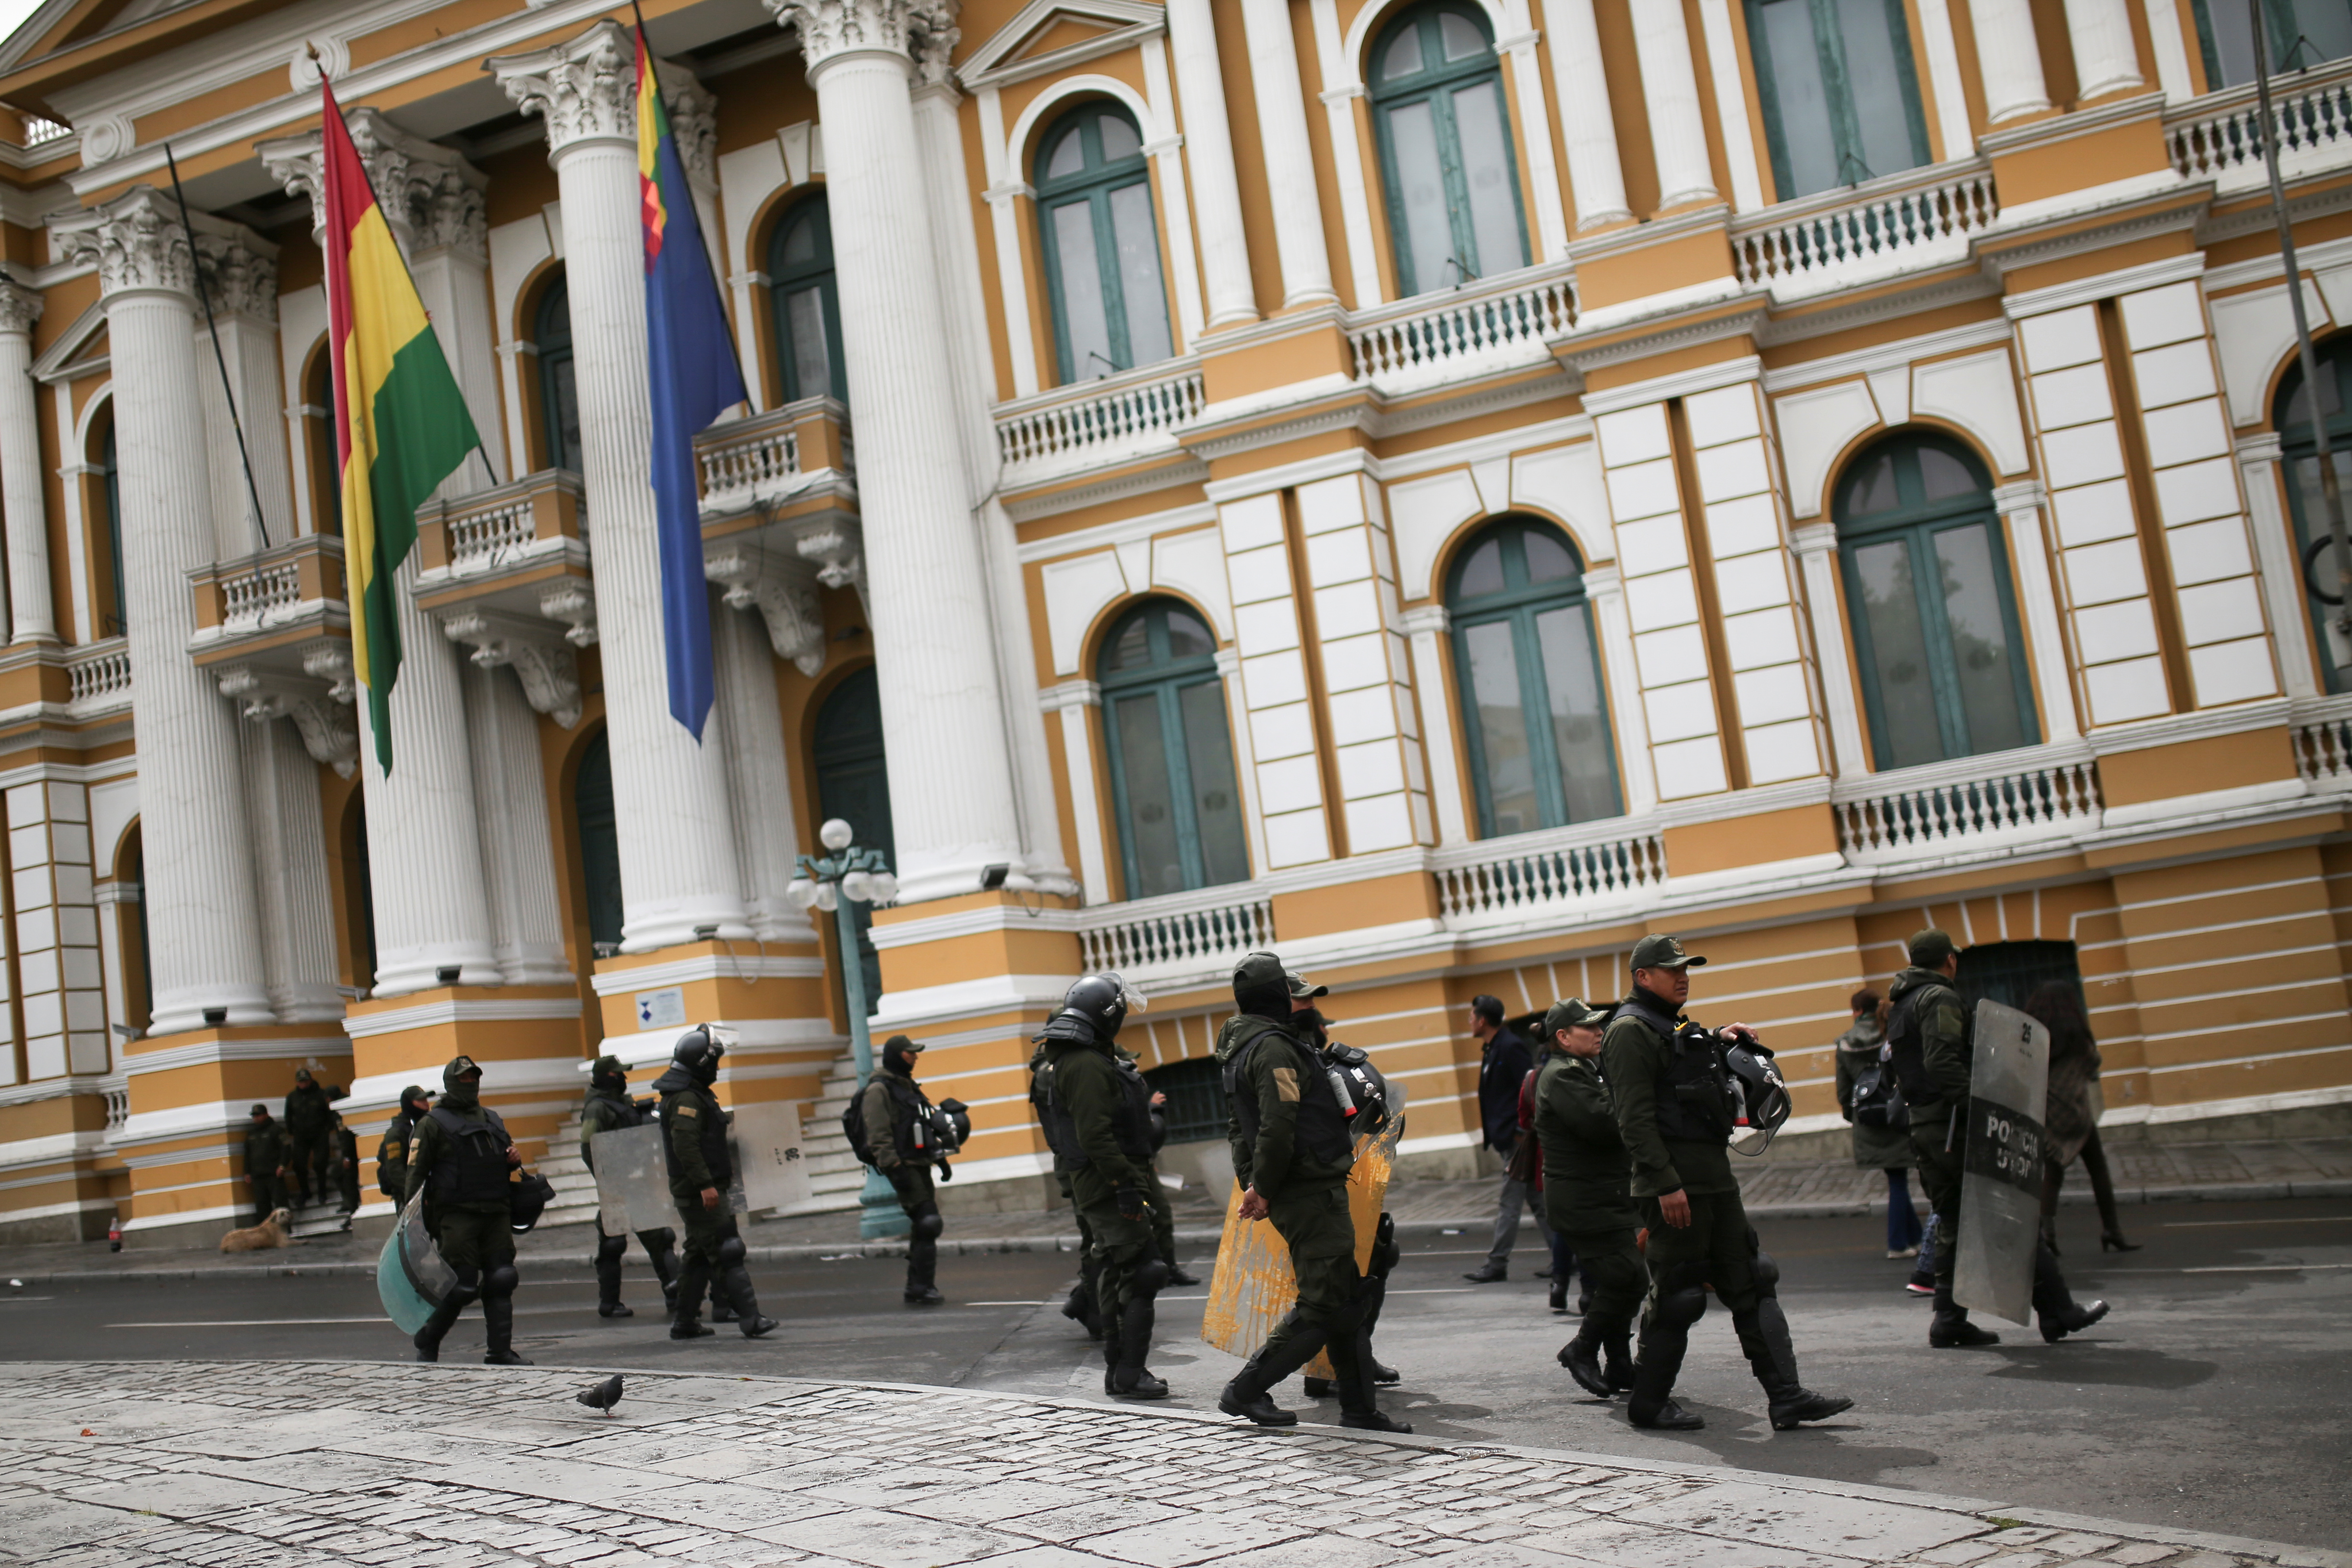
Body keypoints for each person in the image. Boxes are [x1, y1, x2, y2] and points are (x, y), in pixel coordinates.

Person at [1604, 933, 1851, 1432]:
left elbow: (1676, 1066)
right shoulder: (1627, 1030)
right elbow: (1633, 1119)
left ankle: (1785, 1397)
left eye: (1686, 968)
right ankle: (1648, 1403)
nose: (1683, 976)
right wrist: (1664, 1183)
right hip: (1675, 1187)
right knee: (1679, 1294)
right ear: (1641, 977)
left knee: (1753, 1277)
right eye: (1671, 969)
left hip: (1713, 1178)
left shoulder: (1665, 1024)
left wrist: (1716, 1037)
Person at [1214, 950, 1409, 1433]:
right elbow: (1276, 1126)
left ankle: (1359, 1408)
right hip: (1307, 1189)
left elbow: (1240, 1127)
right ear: (1275, 997)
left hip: (1305, 1185)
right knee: (1324, 1303)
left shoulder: (1242, 1048)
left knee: (1346, 1298)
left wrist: (1256, 1181)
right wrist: (1263, 1185)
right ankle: (1245, 1390)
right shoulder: (1273, 1049)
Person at [1887, 930, 2110, 1347]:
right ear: (1950, 960)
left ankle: (1949, 1320)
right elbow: (1941, 1061)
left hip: (1926, 1126)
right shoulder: (1938, 998)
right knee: (2011, 1211)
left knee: (1954, 1219)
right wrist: (1979, 1108)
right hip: (1953, 1123)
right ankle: (2059, 1310)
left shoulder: (1900, 1003)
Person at [1034, 974, 1170, 1399]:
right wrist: (1125, 1185)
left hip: (1102, 1181)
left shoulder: (1083, 1057)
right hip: (1105, 1183)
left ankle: (1121, 1371)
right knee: (1144, 1270)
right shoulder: (1086, 1064)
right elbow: (1095, 1136)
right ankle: (1129, 1372)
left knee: (1118, 1271)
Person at [1535, 998, 1640, 1401]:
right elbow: (1605, 1125)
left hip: (1600, 1194)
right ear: (1563, 1037)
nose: (1599, 1033)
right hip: (1585, 1198)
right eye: (1588, 1028)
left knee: (1616, 1279)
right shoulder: (1563, 1075)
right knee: (1628, 1277)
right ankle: (1581, 1349)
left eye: (1599, 1026)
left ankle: (1618, 1363)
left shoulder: (1579, 1069)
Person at [651, 1026, 779, 1341]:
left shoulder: (690, 1092)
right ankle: (750, 1318)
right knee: (727, 1248)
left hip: (701, 1187)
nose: (717, 1069)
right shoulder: (685, 1097)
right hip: (699, 1191)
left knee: (697, 1255)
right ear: (701, 1062)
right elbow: (686, 1146)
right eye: (714, 1062)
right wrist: (705, 1185)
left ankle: (684, 1322)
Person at [403, 1056, 531, 1365]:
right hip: (457, 1215)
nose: (469, 1084)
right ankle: (428, 1339)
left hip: (496, 1210)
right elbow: (415, 1173)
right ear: (450, 1083)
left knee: (502, 1277)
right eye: (463, 1079)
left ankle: (499, 1351)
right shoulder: (432, 1124)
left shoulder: (492, 1119)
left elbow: (506, 1155)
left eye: (473, 1078)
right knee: (461, 1285)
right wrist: (411, 1223)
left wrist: (513, 1159)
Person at [2026, 981, 2138, 1255]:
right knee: (2098, 1170)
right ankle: (2112, 1230)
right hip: (2079, 1112)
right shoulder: (2078, 1034)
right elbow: (2093, 1064)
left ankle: (2047, 1232)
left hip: (2049, 1114)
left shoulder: (2034, 1038)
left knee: (2052, 1173)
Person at [578, 1054, 680, 1320]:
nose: (623, 1078)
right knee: (613, 1245)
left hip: (639, 1183)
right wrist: (608, 1181)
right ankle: (610, 1303)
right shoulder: (597, 1109)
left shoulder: (620, 1103)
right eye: (617, 1074)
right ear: (605, 1077)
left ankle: (677, 1295)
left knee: (661, 1238)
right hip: (617, 1187)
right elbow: (589, 1148)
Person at [859, 1033, 948, 1306]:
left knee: (924, 1226)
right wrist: (893, 1168)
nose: (915, 1057)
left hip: (919, 1163)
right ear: (897, 1056)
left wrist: (941, 1157)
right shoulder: (878, 1090)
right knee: (928, 1221)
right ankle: (922, 1286)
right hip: (903, 1166)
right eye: (910, 1053)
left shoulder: (908, 1086)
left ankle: (916, 1286)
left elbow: (923, 1124)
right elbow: (878, 1134)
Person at [1833, 987, 1923, 1261]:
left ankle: (1915, 1238)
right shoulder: (1891, 1033)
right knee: (1898, 1180)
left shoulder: (1846, 1042)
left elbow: (1843, 1089)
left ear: (1858, 1011)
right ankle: (1898, 1243)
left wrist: (1855, 1117)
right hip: (1898, 1111)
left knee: (1895, 1178)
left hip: (1869, 1117)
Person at [1464, 995, 1546, 1283]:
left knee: (1509, 1204)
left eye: (1473, 1016)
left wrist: (1522, 1133)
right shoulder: (1493, 1047)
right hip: (1507, 1137)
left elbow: (1528, 1088)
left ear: (1483, 1020)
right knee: (1538, 1201)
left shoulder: (1510, 1046)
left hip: (1517, 1140)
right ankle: (1567, 1255)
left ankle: (1497, 1263)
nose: (1470, 1021)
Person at [282, 1066, 333, 1206]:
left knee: (320, 1163)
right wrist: (291, 1131)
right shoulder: (292, 1097)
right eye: (301, 1082)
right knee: (298, 1165)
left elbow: (329, 1114)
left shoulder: (321, 1094)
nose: (303, 1084)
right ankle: (305, 1192)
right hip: (300, 1136)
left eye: (305, 1081)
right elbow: (288, 1116)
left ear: (310, 1080)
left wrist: (327, 1129)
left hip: (319, 1134)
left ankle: (322, 1192)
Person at [377, 1085, 430, 1206]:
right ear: (410, 1104)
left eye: (426, 1100)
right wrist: (414, 1194)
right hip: (409, 1199)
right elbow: (395, 1170)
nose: (426, 1104)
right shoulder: (397, 1134)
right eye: (421, 1101)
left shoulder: (426, 1126)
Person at [241, 1103, 286, 1224]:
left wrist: (282, 1166)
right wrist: (247, 1172)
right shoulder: (251, 1134)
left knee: (280, 1203)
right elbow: (248, 1154)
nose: (256, 1118)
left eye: (259, 1115)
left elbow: (285, 1149)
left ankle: (285, 1230)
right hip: (258, 1175)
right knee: (262, 1206)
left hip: (274, 1173)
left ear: (266, 1115)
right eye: (254, 1116)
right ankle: (266, 1233)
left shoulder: (276, 1130)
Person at [328, 1108, 360, 1216]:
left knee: (349, 1183)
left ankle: (353, 1209)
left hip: (351, 1155)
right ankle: (350, 1205)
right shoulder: (342, 1113)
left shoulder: (340, 1114)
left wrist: (347, 1157)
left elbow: (345, 1137)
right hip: (353, 1152)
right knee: (338, 1175)